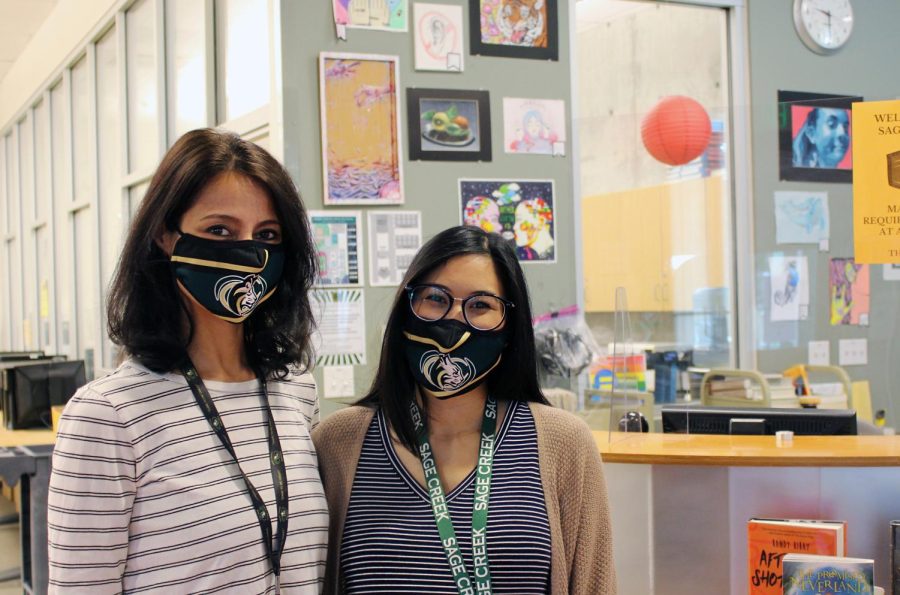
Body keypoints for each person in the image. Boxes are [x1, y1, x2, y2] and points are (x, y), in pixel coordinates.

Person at [48, 129, 328, 593]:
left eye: (267, 235)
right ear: (164, 235)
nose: (248, 253)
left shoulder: (295, 389)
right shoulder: (107, 416)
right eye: (219, 230)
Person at [313, 225, 616, 594]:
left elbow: (594, 586)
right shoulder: (337, 442)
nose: (453, 321)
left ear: (509, 328)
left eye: (480, 305)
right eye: (435, 298)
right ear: (406, 309)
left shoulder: (564, 442)